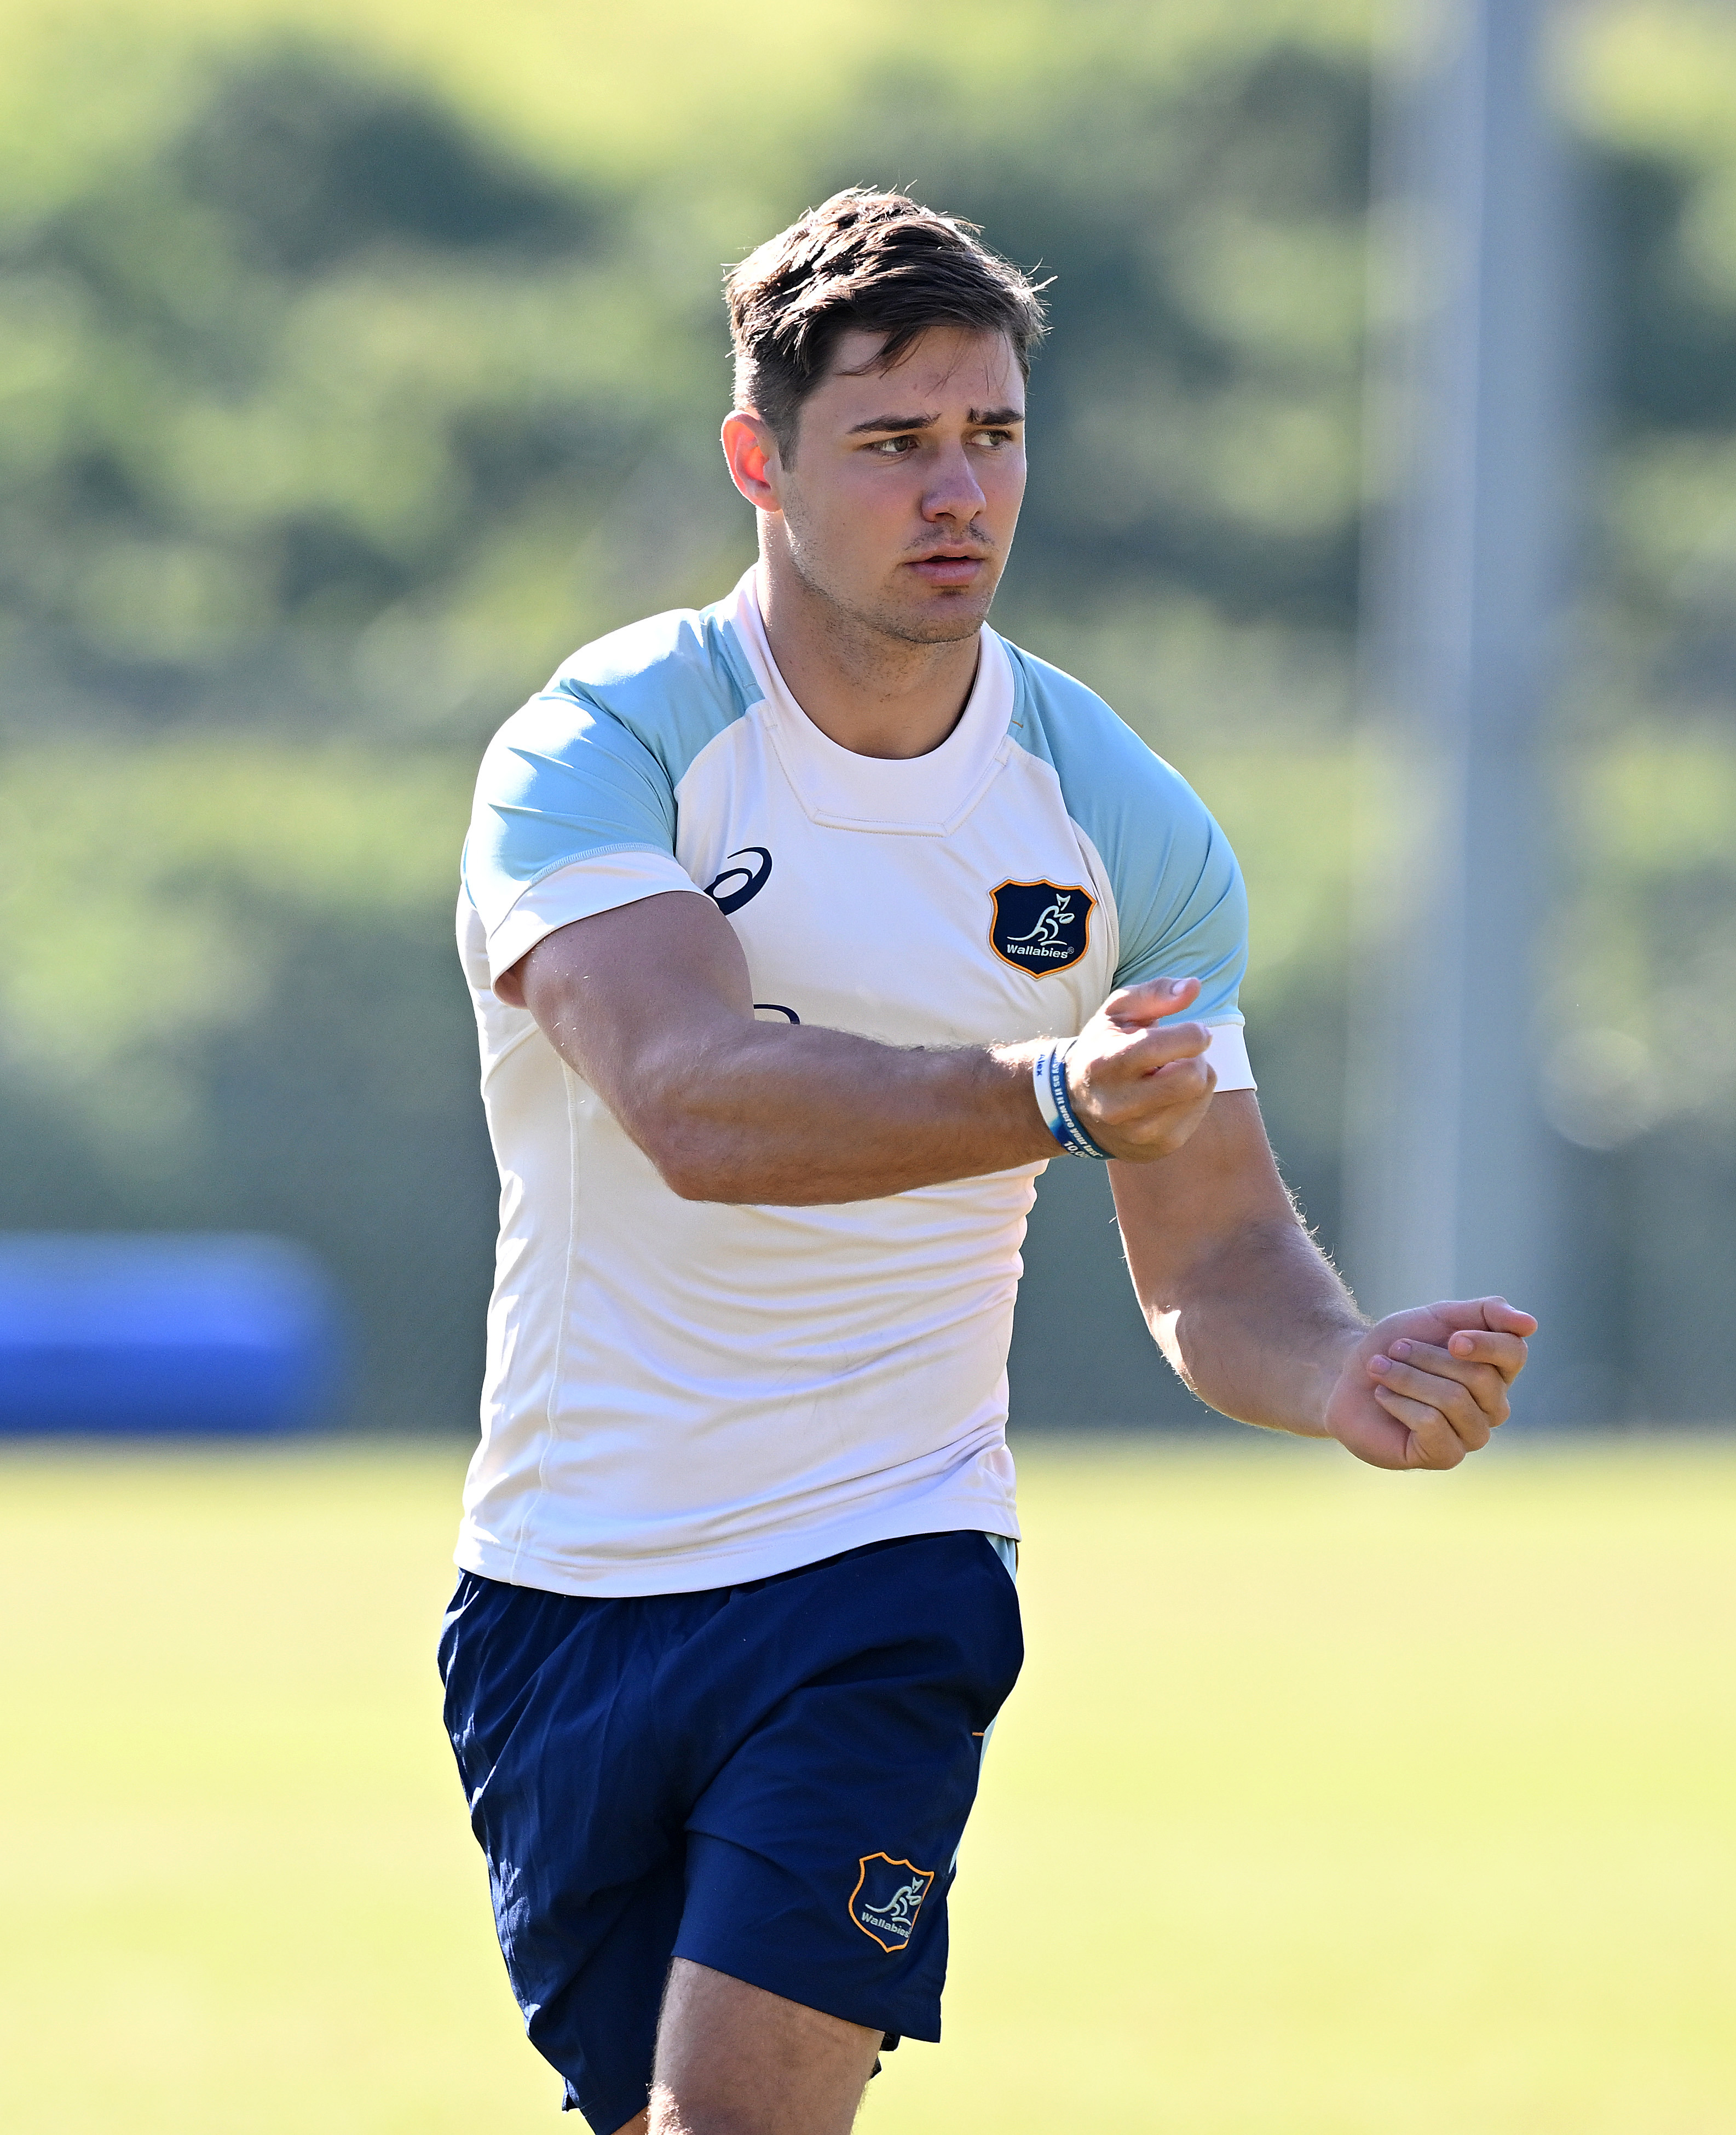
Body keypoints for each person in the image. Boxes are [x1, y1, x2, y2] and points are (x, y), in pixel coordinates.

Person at [440, 187, 1537, 2135]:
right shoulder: (601, 748)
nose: (959, 492)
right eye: (893, 445)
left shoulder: (1122, 823)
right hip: (569, 1581)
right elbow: (692, 1098)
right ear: (758, 461)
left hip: (889, 1565)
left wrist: (1340, 1367)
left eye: (994, 436)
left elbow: (1212, 1245)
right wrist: (1043, 1094)